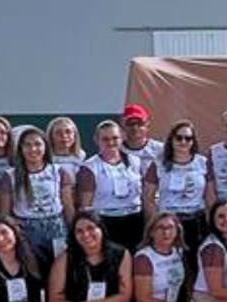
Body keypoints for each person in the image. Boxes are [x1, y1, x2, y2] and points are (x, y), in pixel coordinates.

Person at [0, 126, 74, 272]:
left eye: (37, 144)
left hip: (56, 228)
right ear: (21, 148)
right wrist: (16, 233)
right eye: (27, 145)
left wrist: (73, 230)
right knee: (32, 272)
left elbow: (68, 206)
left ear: (45, 147)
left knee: (60, 270)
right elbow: (5, 214)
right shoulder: (10, 176)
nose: (33, 149)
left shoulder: (58, 172)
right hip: (27, 229)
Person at [143, 120, 212, 257]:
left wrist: (211, 224)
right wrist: (157, 221)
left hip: (196, 221)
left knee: (194, 262)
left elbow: (210, 197)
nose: (183, 141)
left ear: (193, 141)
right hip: (169, 224)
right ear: (171, 140)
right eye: (179, 138)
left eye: (188, 138)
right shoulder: (158, 164)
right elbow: (148, 197)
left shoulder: (202, 163)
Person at [76, 119, 146, 252]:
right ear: (96, 140)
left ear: (122, 137)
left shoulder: (136, 162)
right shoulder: (90, 167)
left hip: (135, 220)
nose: (111, 142)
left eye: (115, 138)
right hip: (105, 222)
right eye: (105, 139)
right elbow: (86, 206)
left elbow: (145, 196)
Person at [119, 104, 164, 176]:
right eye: (130, 123)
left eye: (140, 123)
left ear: (147, 124)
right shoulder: (116, 151)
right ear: (123, 125)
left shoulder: (161, 149)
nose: (135, 128)